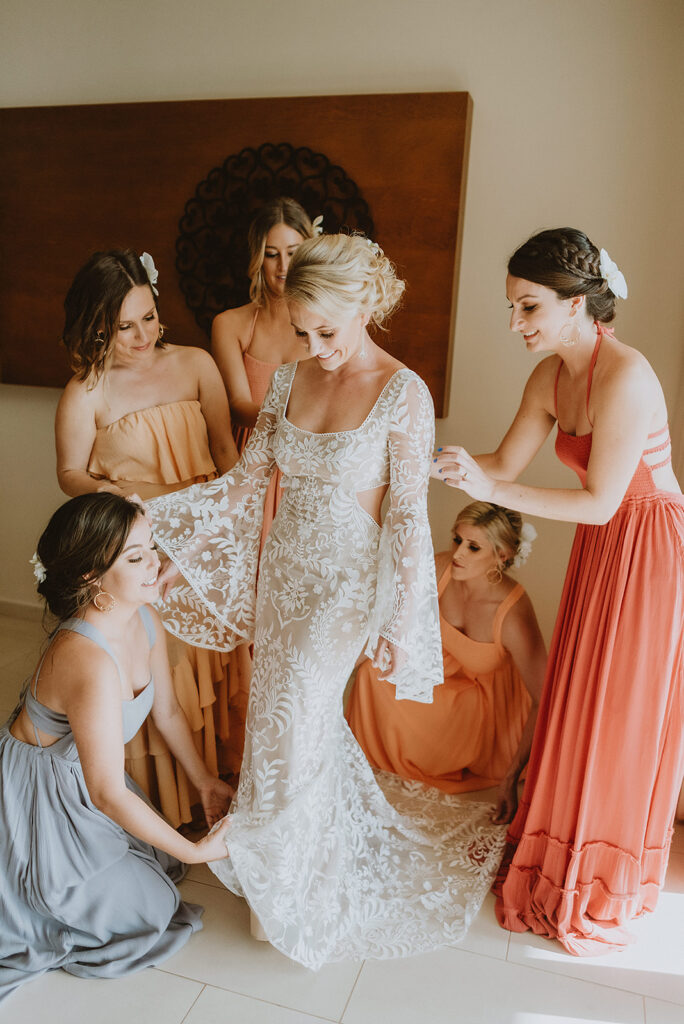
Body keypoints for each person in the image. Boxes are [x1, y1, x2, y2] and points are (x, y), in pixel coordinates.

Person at [147, 234, 507, 969]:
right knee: (283, 725)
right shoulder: (288, 381)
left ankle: (285, 892)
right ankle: (290, 875)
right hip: (284, 574)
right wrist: (172, 556)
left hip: (343, 586)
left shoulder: (404, 393)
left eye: (327, 332)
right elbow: (247, 484)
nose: (316, 346)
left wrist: (403, 619)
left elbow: (407, 515)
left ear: (365, 306)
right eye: (302, 331)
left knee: (296, 720)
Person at [432, 227, 684, 956]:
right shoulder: (548, 378)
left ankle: (600, 876)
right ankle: (558, 851)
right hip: (605, 546)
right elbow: (502, 461)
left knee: (617, 707)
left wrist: (493, 488)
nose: (516, 324)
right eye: (512, 307)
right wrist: (418, 455)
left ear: (577, 303)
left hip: (650, 546)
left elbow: (605, 500)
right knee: (580, 692)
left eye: (529, 308)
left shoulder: (627, 376)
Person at [0, 493, 231, 1003]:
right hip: (40, 795)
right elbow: (106, 793)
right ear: (90, 579)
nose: (156, 564)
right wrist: (194, 847)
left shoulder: (146, 620)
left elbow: (167, 713)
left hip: (85, 780)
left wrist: (204, 781)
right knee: (152, 911)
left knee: (157, 877)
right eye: (135, 557)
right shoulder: (88, 661)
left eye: (151, 548)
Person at [54, 249, 247, 827]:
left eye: (149, 317)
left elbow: (226, 453)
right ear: (96, 327)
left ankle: (218, 781)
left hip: (207, 535)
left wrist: (223, 525)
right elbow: (69, 472)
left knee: (211, 662)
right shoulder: (86, 390)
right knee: (158, 668)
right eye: (123, 326)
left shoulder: (195, 363)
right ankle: (162, 800)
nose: (141, 335)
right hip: (137, 541)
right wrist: (120, 497)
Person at [346, 502, 547, 823]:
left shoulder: (513, 613)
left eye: (473, 547)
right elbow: (383, 628)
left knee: (420, 691)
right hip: (441, 675)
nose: (458, 553)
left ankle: (429, 760)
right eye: (457, 539)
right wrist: (329, 686)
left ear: (502, 556)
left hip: (486, 708)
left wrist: (511, 777)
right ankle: (368, 765)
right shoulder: (437, 569)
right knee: (374, 672)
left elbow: (543, 697)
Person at [211, 198, 316, 545]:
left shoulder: (327, 327)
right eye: (272, 254)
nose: (284, 265)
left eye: (293, 251)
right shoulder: (230, 324)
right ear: (257, 257)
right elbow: (239, 404)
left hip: (306, 467)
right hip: (247, 463)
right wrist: (288, 422)